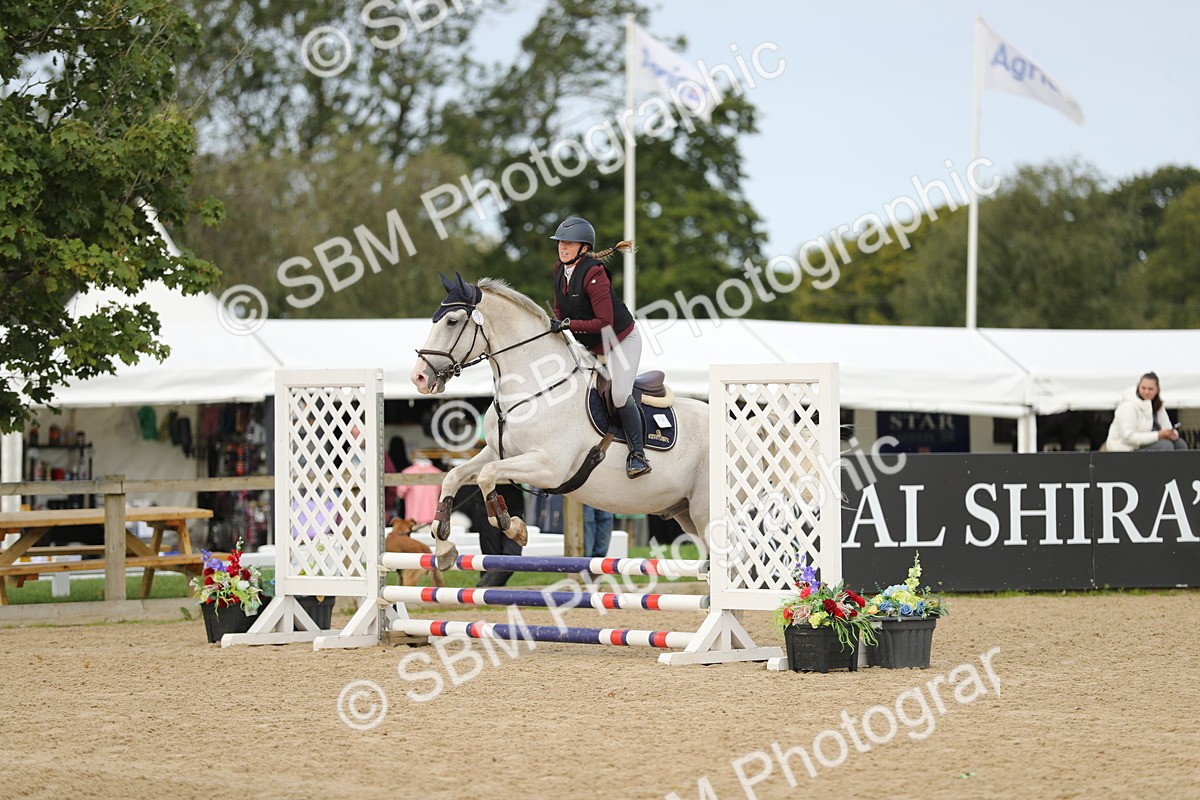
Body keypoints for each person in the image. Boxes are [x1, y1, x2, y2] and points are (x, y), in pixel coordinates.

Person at [549, 216, 650, 478]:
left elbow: (605, 322)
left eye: (569, 243)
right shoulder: (559, 272)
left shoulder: (594, 273)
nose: (563, 247)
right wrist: (558, 323)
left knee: (618, 395)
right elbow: (560, 308)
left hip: (621, 341)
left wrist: (569, 325)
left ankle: (638, 453)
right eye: (561, 242)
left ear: (583, 247)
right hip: (594, 347)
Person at [456, 482, 525, 587]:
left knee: (512, 556)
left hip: (513, 506)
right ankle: (489, 596)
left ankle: (480, 591)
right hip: (487, 508)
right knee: (491, 558)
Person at [1104, 372, 1189, 452]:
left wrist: (1173, 434)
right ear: (1138, 387)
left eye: (1150, 389)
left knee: (1180, 445)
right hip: (1128, 448)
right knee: (1165, 446)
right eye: (1143, 388)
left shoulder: (1157, 405)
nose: (1146, 392)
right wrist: (1158, 435)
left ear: (1157, 390)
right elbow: (1128, 437)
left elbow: (1167, 427)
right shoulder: (1128, 406)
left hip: (1149, 442)